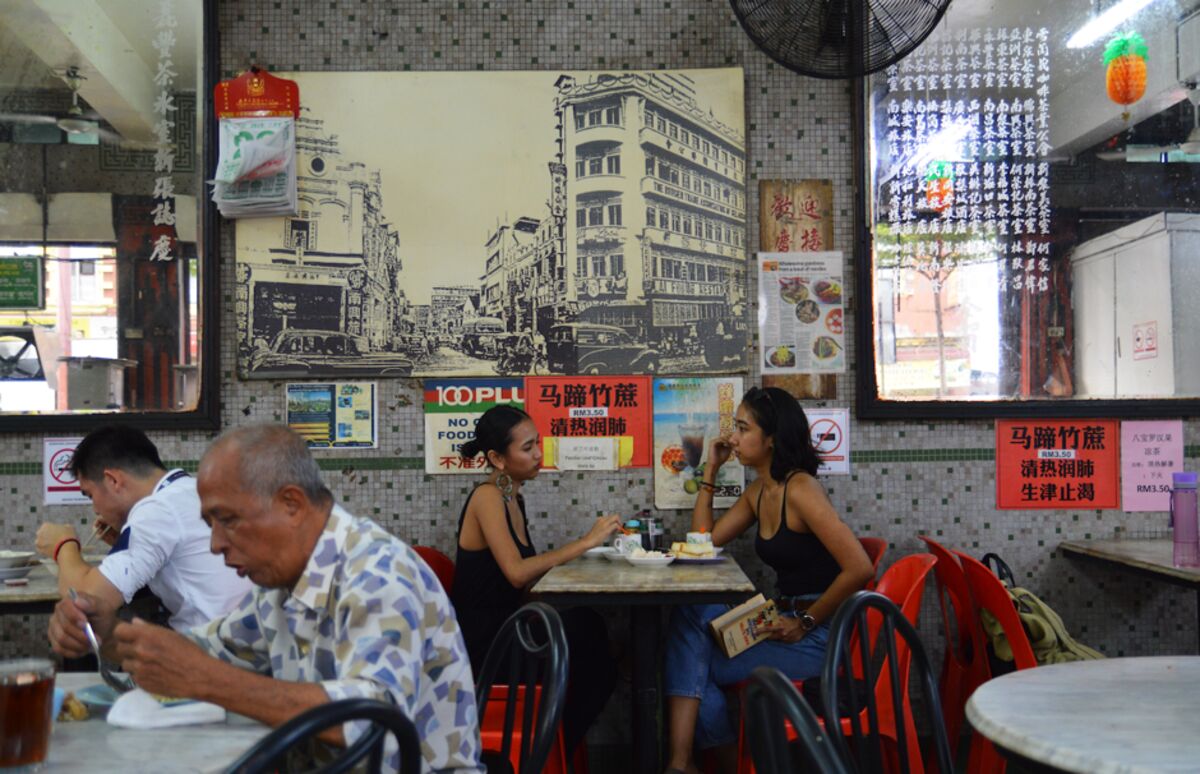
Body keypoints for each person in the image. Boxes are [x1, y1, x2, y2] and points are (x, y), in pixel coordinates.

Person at [56, 425, 484, 773]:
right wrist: (106, 633)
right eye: (210, 524)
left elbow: (370, 720)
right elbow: (208, 649)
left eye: (228, 521)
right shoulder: (281, 588)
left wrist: (206, 679)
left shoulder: (376, 574)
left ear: (291, 504)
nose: (216, 546)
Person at [663, 387, 875, 774]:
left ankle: (691, 764)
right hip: (779, 619)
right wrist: (711, 470)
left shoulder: (802, 489)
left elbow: (860, 568)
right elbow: (703, 543)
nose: (733, 438)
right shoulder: (760, 490)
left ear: (772, 439)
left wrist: (805, 622)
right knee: (691, 613)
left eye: (743, 429)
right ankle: (690, 764)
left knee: (693, 666)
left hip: (818, 634)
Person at [450, 404, 621, 756]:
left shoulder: (513, 496)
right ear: (498, 458)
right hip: (488, 646)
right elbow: (516, 573)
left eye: (537, 444)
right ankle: (547, 753)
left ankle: (555, 748)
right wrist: (584, 544)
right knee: (592, 648)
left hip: (511, 630)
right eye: (527, 448)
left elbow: (521, 585)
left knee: (591, 630)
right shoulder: (488, 498)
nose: (538, 454)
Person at [37, 425, 252, 648]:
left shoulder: (157, 511)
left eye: (91, 494)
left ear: (113, 480)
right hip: (242, 640)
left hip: (218, 654)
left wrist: (63, 545)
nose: (95, 508)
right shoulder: (186, 490)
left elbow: (84, 601)